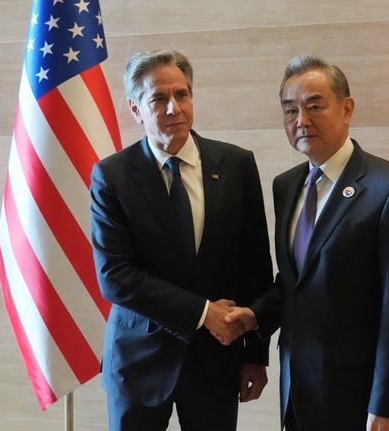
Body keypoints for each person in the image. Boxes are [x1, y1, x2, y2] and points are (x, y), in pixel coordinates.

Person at [223, 54, 389, 431]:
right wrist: (256, 316)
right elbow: (297, 283)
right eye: (290, 110)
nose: (301, 120)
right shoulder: (286, 186)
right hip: (297, 393)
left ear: (347, 108)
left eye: (314, 106)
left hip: (360, 399)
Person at [90, 50, 273, 431]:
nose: (175, 107)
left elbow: (254, 265)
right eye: (159, 98)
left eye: (183, 94)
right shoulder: (113, 176)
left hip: (216, 364)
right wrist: (206, 313)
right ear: (135, 108)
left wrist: (255, 354)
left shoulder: (236, 165)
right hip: (139, 363)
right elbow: (115, 276)